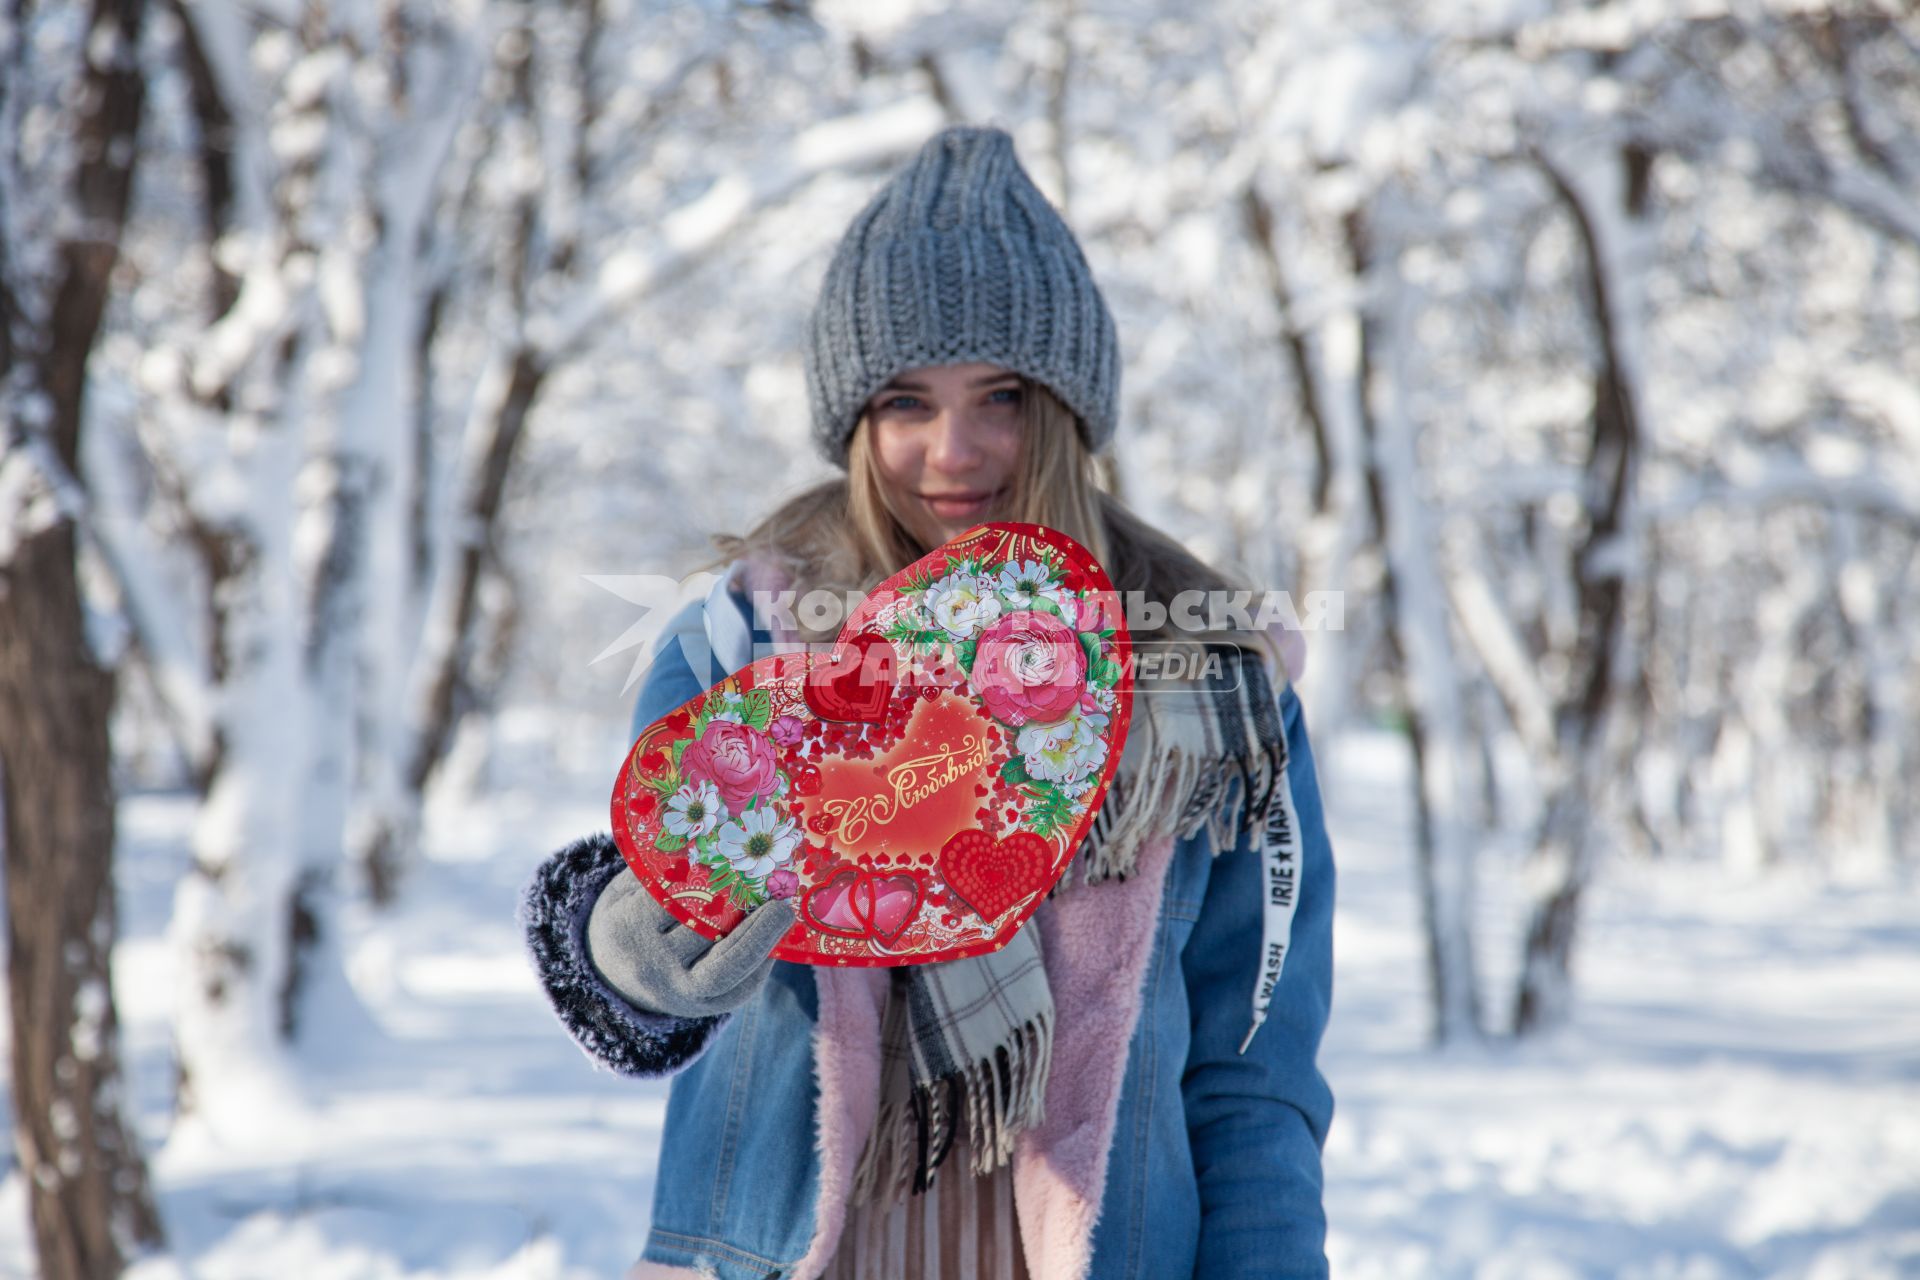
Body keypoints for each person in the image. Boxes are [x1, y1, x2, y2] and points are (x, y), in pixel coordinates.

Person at [522, 125, 1335, 1280]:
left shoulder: (1213, 674)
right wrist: (635, 945)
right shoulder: (746, 640)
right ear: (857, 421)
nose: (954, 450)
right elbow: (660, 949)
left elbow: (1256, 1065)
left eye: (1001, 394)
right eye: (906, 400)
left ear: (1065, 411)